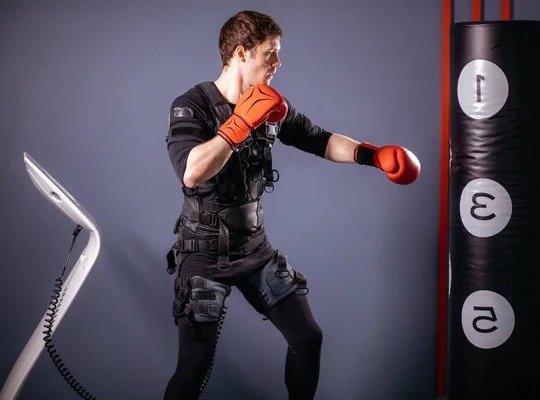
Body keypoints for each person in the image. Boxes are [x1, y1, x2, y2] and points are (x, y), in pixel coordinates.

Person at [163, 10, 421, 400]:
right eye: (271, 54)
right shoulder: (192, 105)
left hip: (254, 249)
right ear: (241, 53)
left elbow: (319, 139)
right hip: (203, 253)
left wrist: (373, 155)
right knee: (195, 365)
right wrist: (239, 124)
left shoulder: (269, 105)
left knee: (307, 337)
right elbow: (191, 171)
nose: (277, 64)